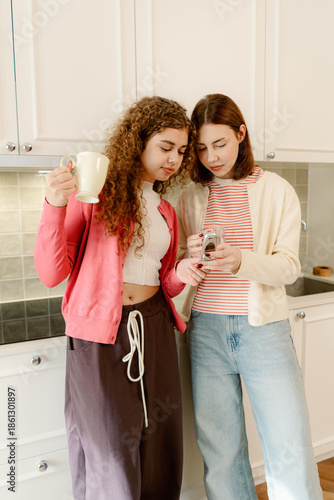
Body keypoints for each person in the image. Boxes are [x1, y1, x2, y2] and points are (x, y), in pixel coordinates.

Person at [34, 96, 206, 500]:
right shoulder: (95, 195)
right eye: (165, 147)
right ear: (138, 141)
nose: (174, 159)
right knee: (109, 449)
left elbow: (163, 279)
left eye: (181, 151)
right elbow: (51, 273)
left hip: (156, 328)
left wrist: (180, 273)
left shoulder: (166, 210)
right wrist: (55, 205)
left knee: (160, 442)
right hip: (99, 335)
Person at [176, 94, 323, 499]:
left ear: (241, 133)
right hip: (205, 330)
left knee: (288, 445)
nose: (211, 157)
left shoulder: (276, 190)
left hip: (264, 331)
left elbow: (289, 267)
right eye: (202, 148)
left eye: (220, 144)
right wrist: (188, 259)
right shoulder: (190, 197)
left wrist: (240, 260)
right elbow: (175, 269)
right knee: (220, 451)